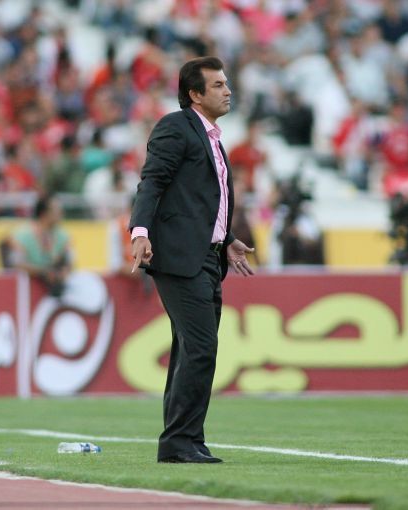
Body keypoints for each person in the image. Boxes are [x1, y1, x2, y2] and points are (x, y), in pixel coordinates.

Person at [129, 56, 255, 464]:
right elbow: (152, 182)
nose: (228, 90)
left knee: (191, 350)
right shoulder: (175, 127)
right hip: (180, 259)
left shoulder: (212, 136)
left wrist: (226, 239)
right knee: (201, 348)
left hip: (207, 257)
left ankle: (185, 440)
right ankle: (180, 441)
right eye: (218, 85)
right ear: (195, 94)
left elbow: (197, 201)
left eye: (226, 83)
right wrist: (140, 231)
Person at [8, 194, 72, 297]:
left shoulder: (63, 236)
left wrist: (63, 272)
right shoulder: (22, 235)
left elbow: (69, 261)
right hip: (26, 291)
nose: (61, 213)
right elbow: (16, 263)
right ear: (44, 214)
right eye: (57, 210)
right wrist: (43, 273)